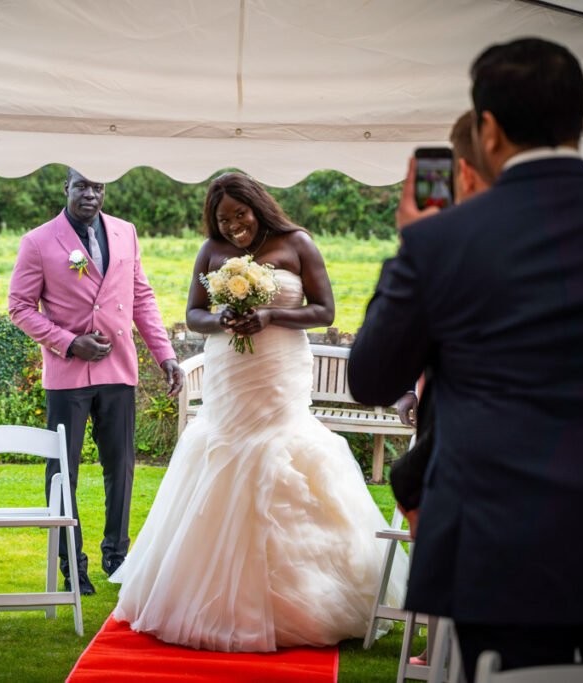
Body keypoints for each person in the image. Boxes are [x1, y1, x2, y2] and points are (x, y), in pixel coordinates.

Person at [349, 38, 583, 679]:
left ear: (486, 129)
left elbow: (372, 378)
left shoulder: (441, 241)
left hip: (498, 543)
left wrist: (412, 246)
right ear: (578, 118)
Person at [110, 172, 407, 651]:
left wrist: (271, 315)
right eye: (223, 219)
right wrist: (221, 319)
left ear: (257, 207)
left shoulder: (296, 243)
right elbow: (193, 314)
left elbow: (324, 311)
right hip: (231, 372)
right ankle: (208, 596)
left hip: (280, 368)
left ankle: (305, 596)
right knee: (224, 452)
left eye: (239, 215)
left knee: (283, 453)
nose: (232, 227)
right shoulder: (211, 252)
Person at [8, 168, 183, 595]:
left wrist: (166, 355)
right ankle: (72, 563)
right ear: (65, 188)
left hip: (118, 369)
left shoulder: (125, 232)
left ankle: (117, 557)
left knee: (121, 468)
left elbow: (142, 297)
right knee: (62, 470)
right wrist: (69, 343)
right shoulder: (38, 241)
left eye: (98, 187)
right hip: (68, 374)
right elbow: (19, 306)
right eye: (82, 186)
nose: (90, 194)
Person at [391, 110, 494, 536]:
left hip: (472, 481)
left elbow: (369, 377)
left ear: (464, 173)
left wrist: (419, 249)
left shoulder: (454, 255)